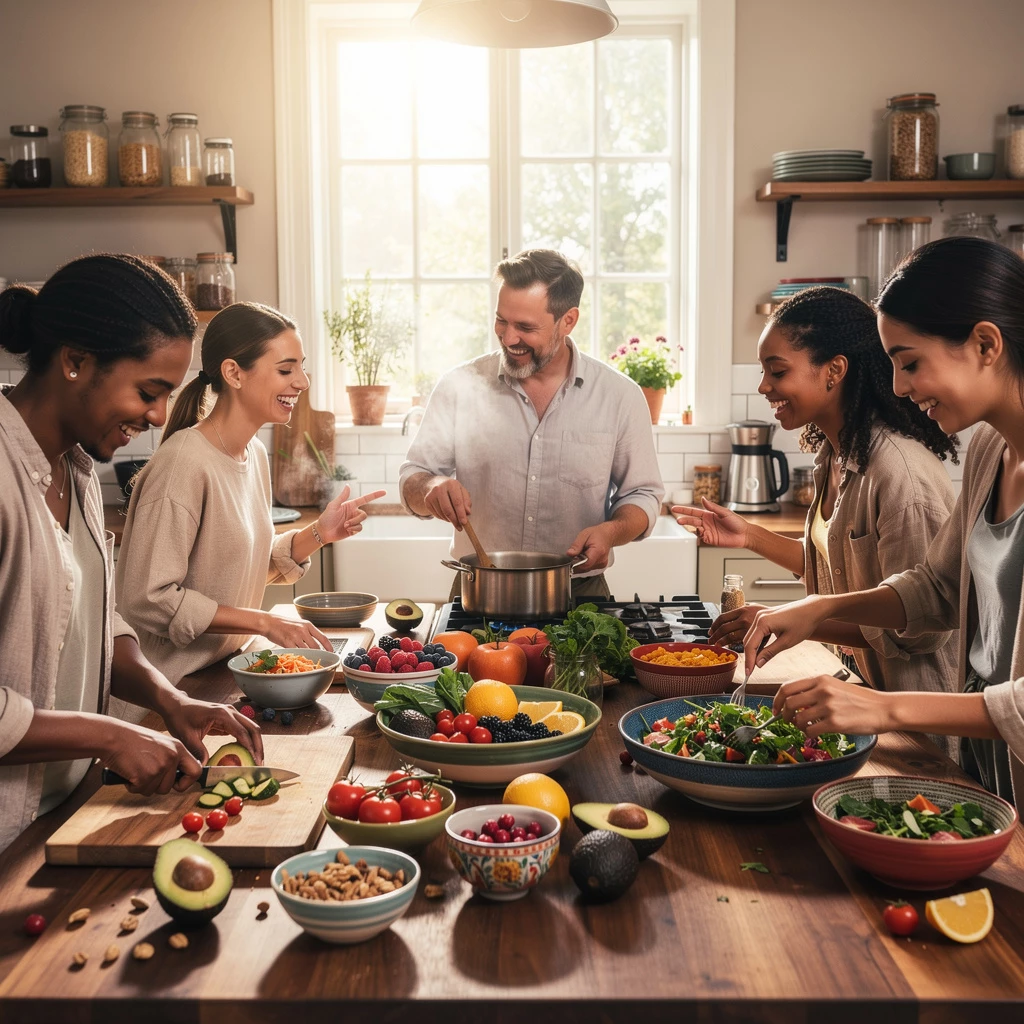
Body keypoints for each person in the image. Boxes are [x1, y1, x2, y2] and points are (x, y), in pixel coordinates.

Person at [743, 237, 1024, 802]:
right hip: (989, 774)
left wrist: (884, 706)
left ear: (985, 344)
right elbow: (938, 587)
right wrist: (822, 608)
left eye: (910, 363)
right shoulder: (992, 453)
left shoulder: (911, 466)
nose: (897, 386)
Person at [0, 254, 262, 854]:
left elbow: (91, 615)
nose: (158, 417)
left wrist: (168, 699)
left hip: (65, 813)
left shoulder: (77, 468)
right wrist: (111, 736)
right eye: (149, 391)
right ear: (74, 361)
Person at [673, 287, 960, 755]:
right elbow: (838, 567)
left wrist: (801, 619)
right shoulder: (838, 454)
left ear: (834, 371)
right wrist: (749, 535)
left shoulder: (901, 477)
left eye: (777, 371)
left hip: (914, 735)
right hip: (859, 700)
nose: (764, 387)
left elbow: (916, 625)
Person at [116, 303, 385, 686]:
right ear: (233, 374)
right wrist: (263, 622)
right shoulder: (183, 465)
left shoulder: (253, 453)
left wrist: (319, 534)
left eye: (301, 367)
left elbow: (237, 564)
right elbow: (148, 599)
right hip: (164, 695)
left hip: (221, 672)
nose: (302, 382)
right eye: (286, 369)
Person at [399, 248, 664, 598]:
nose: (509, 338)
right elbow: (412, 479)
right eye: (501, 321)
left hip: (580, 596)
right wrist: (430, 487)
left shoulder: (619, 396)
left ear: (567, 321)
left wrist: (611, 532)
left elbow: (643, 494)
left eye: (525, 327)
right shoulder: (458, 386)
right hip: (480, 592)